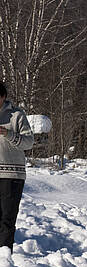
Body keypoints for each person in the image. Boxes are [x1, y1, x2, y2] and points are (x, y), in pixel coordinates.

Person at [0, 82, 34, 253]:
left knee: (6, 219)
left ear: (3, 97)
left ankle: (5, 260)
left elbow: (29, 142)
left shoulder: (17, 115)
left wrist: (8, 134)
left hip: (11, 175)